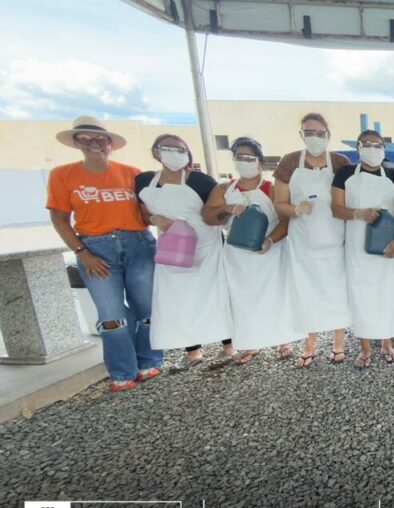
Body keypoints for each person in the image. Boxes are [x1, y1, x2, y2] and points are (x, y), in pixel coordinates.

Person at [46, 115, 163, 392]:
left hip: (138, 243)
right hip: (95, 247)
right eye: (85, 139)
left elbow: (145, 213)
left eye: (99, 138)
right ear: (76, 143)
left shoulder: (132, 173)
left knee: (147, 308)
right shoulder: (62, 175)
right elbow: (59, 219)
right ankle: (123, 370)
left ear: (110, 143)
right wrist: (81, 252)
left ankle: (149, 360)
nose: (93, 143)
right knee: (111, 315)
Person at [136, 134, 234, 371]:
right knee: (178, 298)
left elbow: (215, 210)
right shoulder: (144, 181)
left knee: (215, 294)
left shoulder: (200, 181)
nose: (174, 153)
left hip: (205, 245)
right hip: (172, 245)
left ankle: (229, 345)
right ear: (156, 152)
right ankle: (192, 350)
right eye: (167, 148)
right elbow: (141, 213)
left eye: (180, 149)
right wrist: (154, 219)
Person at [203, 137, 300, 363]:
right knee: (242, 300)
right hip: (237, 254)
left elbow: (286, 220)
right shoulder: (224, 189)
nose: (244, 161)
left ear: (260, 161)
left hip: (270, 250)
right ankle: (250, 341)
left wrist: (270, 240)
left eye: (249, 157)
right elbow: (208, 216)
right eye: (240, 157)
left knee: (276, 296)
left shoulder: (271, 188)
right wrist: (227, 208)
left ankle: (283, 340)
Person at [332, 130, 394, 368]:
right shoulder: (345, 174)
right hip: (357, 246)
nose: (373, 149)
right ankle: (365, 347)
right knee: (362, 296)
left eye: (378, 145)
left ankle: (387, 342)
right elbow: (336, 208)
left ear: (384, 149)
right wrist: (358, 213)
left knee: (387, 293)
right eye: (367, 144)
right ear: (358, 147)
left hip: (388, 244)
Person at [273, 113, 352, 368]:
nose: (315, 138)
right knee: (306, 290)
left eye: (320, 133)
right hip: (303, 240)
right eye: (309, 133)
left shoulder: (340, 162)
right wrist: (295, 209)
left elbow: (350, 196)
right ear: (301, 135)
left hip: (336, 237)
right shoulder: (289, 162)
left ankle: (339, 341)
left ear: (328, 135)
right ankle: (310, 343)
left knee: (337, 289)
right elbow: (279, 203)